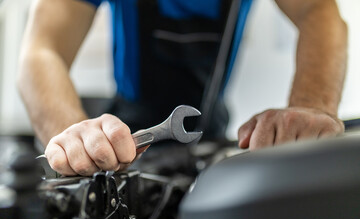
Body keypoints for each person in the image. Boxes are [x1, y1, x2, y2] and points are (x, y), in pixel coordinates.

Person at [17, 0, 347, 176]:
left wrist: (311, 105)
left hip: (210, 136)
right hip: (120, 141)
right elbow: (41, 51)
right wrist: (72, 136)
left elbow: (317, 9)